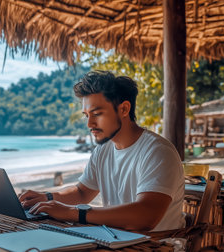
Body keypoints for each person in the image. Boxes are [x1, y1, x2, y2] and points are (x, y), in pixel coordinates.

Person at [19, 70, 185, 231]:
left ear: (124, 109)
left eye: (97, 114)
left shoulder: (158, 152)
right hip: (116, 241)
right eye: (86, 115)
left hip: (156, 246)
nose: (89, 124)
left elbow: (145, 216)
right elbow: (82, 192)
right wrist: (47, 198)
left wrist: (74, 213)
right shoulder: (103, 150)